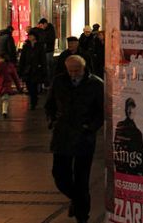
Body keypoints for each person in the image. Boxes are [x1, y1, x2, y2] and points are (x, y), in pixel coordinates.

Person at [45, 55, 104, 223]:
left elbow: (102, 111)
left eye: (76, 70)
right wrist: (52, 120)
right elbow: (50, 105)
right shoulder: (59, 82)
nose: (73, 74)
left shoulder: (95, 84)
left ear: (84, 68)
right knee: (60, 175)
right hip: (62, 135)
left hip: (83, 137)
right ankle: (78, 201)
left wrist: (91, 127)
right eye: (70, 70)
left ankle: (82, 215)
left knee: (81, 178)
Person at [113, 97, 143, 174]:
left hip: (133, 169)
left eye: (132, 108)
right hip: (122, 168)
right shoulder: (120, 126)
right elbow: (116, 146)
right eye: (128, 108)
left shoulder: (138, 133)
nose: (130, 111)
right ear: (125, 110)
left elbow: (141, 155)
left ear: (135, 110)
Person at [19, 30, 48, 110]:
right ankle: (33, 99)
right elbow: (23, 58)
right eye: (29, 35)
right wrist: (21, 69)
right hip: (28, 69)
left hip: (36, 69)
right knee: (29, 85)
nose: (29, 37)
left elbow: (43, 59)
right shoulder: (26, 46)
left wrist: (43, 69)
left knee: (34, 85)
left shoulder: (40, 46)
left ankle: (33, 102)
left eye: (31, 35)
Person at [37, 18, 56, 83]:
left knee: (48, 65)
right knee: (46, 65)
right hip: (45, 50)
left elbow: (50, 39)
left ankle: (50, 79)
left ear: (45, 24)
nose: (41, 27)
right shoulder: (43, 30)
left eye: (42, 25)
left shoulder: (50, 29)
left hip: (49, 50)